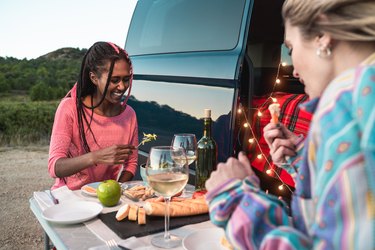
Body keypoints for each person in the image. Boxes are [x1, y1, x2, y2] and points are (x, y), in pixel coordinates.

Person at [205, 0, 375, 249]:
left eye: (291, 47)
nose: (293, 70)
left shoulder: (344, 109)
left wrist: (236, 198)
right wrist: (300, 159)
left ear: (322, 35)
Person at [48, 42, 138, 190]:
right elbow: (55, 167)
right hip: (70, 198)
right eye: (114, 80)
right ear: (94, 78)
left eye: (126, 79)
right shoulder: (70, 108)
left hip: (107, 199)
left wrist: (115, 188)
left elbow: (131, 163)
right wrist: (95, 157)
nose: (122, 87)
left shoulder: (129, 115)